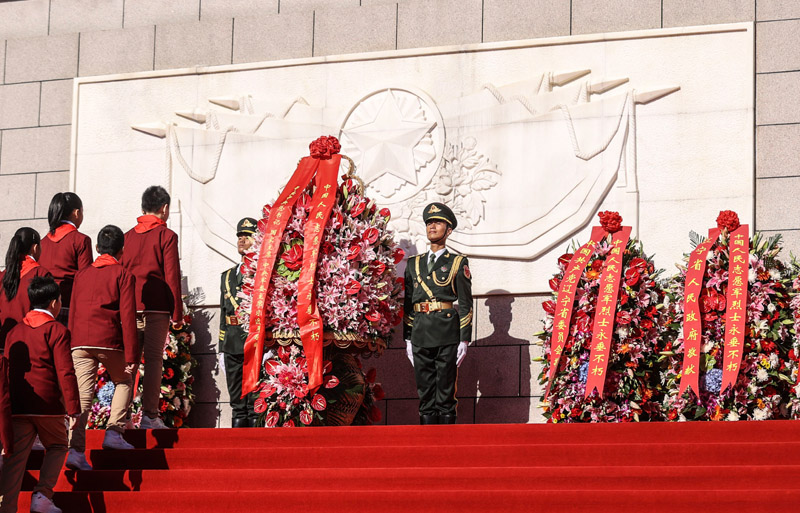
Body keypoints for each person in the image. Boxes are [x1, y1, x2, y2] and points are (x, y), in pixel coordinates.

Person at [0, 276, 80, 513]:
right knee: (57, 445)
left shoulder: (14, 332)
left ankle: (6, 507)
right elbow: (65, 372)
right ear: (55, 303)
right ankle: (42, 494)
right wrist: (73, 408)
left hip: (18, 404)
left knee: (14, 461)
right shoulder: (57, 330)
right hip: (47, 405)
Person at [66, 225, 139, 471]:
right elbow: (128, 317)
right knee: (124, 381)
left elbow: (73, 311)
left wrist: (71, 342)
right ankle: (114, 431)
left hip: (80, 341)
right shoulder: (123, 275)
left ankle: (75, 450)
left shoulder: (82, 274)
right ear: (122, 251)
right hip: (109, 339)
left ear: (97, 248)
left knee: (83, 397)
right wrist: (132, 355)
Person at [403, 203, 473, 425]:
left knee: (445, 391)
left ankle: (446, 447)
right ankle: (426, 446)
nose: (432, 226)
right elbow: (408, 303)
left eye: (438, 222)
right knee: (424, 392)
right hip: (420, 331)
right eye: (429, 222)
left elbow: (465, 302)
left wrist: (464, 339)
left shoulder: (457, 263)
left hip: (446, 332)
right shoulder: (413, 264)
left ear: (449, 230)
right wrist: (407, 337)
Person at [122, 186, 183, 430]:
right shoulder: (166, 236)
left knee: (129, 363)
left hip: (129, 307)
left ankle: (122, 417)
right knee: (154, 360)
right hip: (156, 308)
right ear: (164, 208)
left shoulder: (127, 236)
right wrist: (177, 313)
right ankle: (149, 416)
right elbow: (172, 276)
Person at [219, 218, 258, 428]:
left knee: (253, 399)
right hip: (232, 341)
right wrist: (220, 348)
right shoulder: (227, 276)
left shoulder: (262, 273)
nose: (242, 241)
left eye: (247, 237)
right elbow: (224, 314)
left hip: (253, 339)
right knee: (236, 397)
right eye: (240, 237)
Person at [39, 192, 93, 325]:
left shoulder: (42, 242)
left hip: (42, 306)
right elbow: (86, 279)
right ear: (76, 213)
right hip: (68, 306)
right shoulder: (81, 240)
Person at [0, 228, 51, 352]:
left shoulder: (3, 275)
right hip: (29, 343)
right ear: (35, 248)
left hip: (3, 341)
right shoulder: (40, 274)